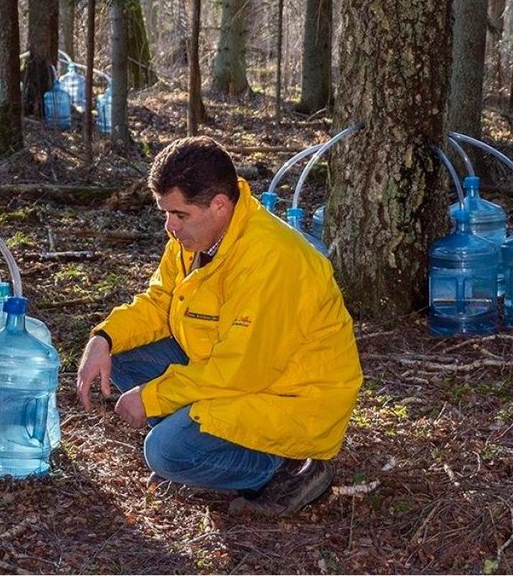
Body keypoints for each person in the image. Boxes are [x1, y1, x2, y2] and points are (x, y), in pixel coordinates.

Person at [76, 136, 363, 512]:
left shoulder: (273, 259)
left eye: (179, 214)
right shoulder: (195, 239)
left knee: (164, 452)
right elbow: (161, 301)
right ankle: (206, 449)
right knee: (121, 355)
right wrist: (104, 338)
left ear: (219, 205)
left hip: (289, 398)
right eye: (165, 213)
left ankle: (284, 469)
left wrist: (152, 397)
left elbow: (240, 370)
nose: (169, 226)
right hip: (235, 370)